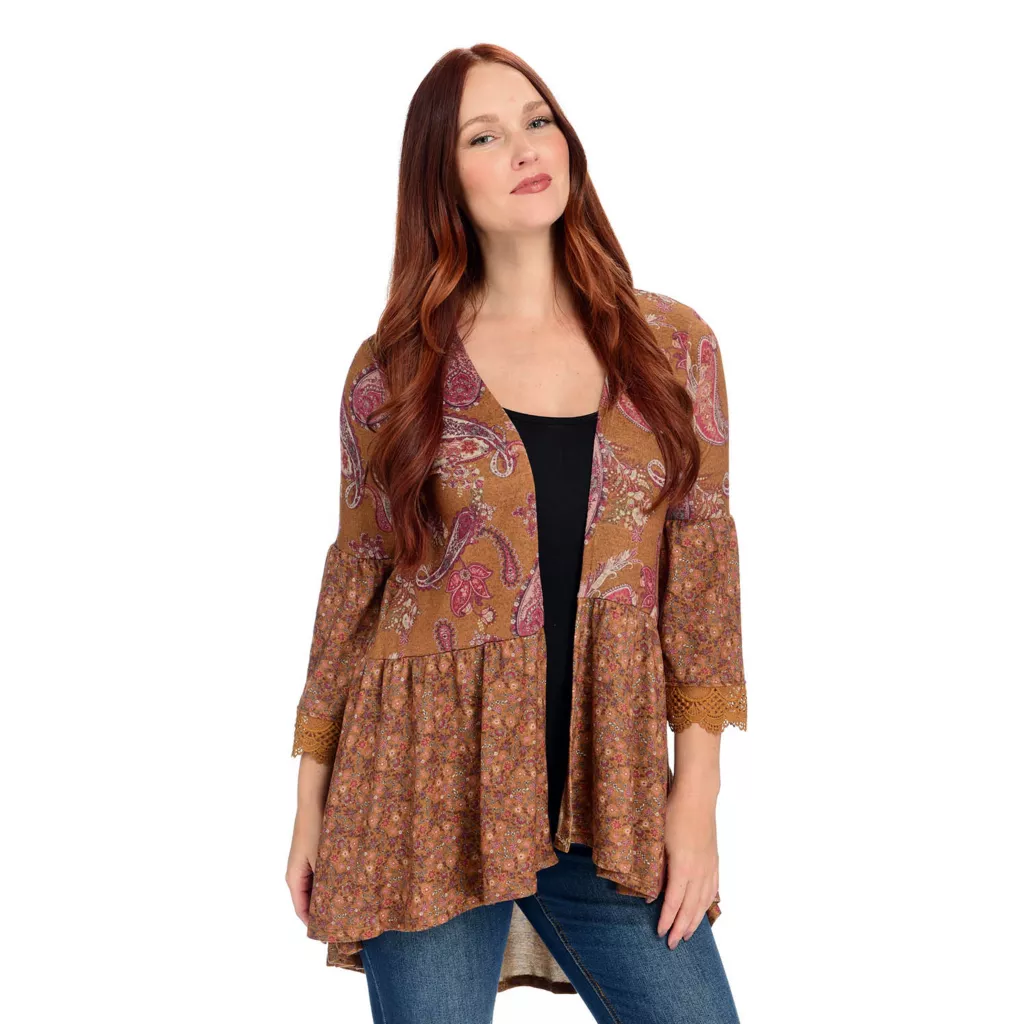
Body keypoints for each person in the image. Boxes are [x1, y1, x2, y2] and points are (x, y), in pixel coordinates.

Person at [285, 43, 747, 1024]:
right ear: (442, 179)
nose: (526, 148)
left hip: (608, 800)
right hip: (420, 796)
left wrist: (697, 795)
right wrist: (310, 798)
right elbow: (357, 574)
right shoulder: (395, 370)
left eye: (538, 121)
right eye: (484, 137)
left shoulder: (673, 347)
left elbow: (702, 565)